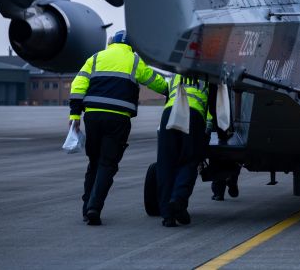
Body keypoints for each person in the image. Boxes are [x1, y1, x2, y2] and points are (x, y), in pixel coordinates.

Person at [68, 30, 168, 226]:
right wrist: (170, 90)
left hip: (93, 116)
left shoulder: (96, 57)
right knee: (107, 164)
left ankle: (86, 207)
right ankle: (94, 208)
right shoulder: (133, 60)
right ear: (131, 45)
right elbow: (153, 80)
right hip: (118, 119)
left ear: (112, 42)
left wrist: (74, 115)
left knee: (94, 162)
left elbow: (77, 84)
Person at [157, 74, 209, 227]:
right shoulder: (209, 74)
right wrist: (210, 127)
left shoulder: (176, 74)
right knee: (189, 160)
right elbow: (213, 104)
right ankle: (178, 198)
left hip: (169, 113)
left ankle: (167, 216)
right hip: (193, 115)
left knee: (166, 164)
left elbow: (162, 87)